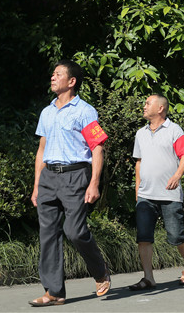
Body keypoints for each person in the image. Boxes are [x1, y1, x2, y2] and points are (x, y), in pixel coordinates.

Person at [29, 60, 111, 307]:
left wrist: (94, 183)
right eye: (52, 74)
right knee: (48, 234)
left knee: (74, 231)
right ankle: (54, 292)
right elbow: (41, 150)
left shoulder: (84, 111)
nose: (53, 77)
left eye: (58, 74)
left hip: (76, 175)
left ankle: (100, 271)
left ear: (72, 81)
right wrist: (36, 185)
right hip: (48, 177)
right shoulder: (47, 112)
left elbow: (97, 148)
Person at [129, 94, 184, 291]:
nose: (144, 106)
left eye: (148, 103)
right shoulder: (140, 133)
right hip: (145, 195)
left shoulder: (174, 130)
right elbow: (139, 162)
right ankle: (148, 277)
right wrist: (137, 190)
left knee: (176, 236)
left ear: (160, 108)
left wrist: (177, 175)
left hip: (169, 194)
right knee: (143, 237)